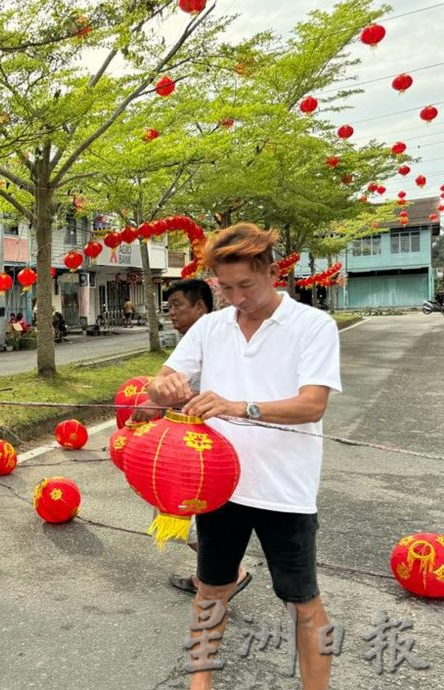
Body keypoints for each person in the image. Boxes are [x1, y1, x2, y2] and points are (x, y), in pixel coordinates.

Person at [146, 224, 340, 690]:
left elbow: (312, 404)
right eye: (225, 287)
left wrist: (238, 406)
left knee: (301, 601)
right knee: (212, 590)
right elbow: (157, 390)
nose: (236, 297)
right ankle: (200, 684)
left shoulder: (313, 326)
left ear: (271, 271)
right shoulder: (210, 328)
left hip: (284, 490)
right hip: (218, 487)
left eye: (246, 286)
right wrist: (163, 386)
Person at [152, 280, 252, 597]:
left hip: (206, 451)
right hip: (188, 449)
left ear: (201, 307)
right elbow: (163, 386)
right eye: (169, 308)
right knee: (185, 513)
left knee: (182, 511)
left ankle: (230, 573)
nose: (172, 314)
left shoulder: (220, 344)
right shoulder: (188, 346)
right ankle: (210, 575)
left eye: (178, 305)